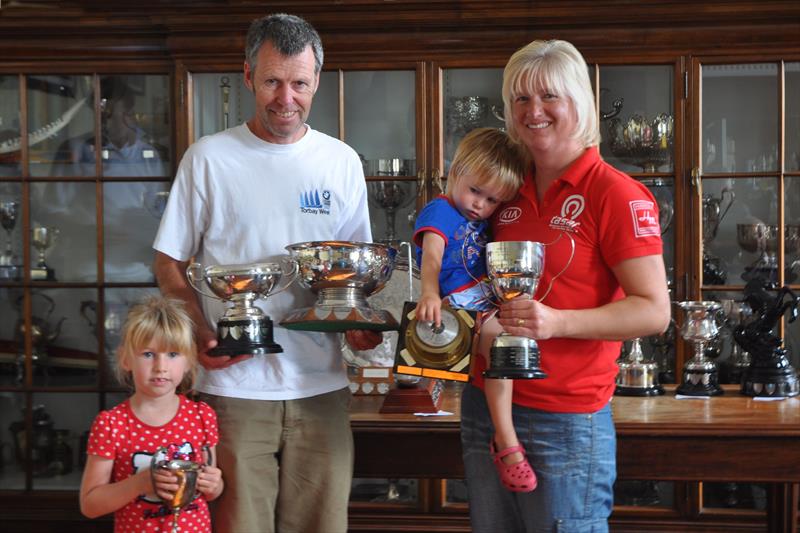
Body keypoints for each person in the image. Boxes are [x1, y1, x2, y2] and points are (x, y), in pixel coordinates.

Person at [152, 13, 380, 533]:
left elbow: (355, 274)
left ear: (316, 81)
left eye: (299, 83)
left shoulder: (340, 162)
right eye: (273, 80)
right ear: (249, 74)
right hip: (233, 392)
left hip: (320, 387)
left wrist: (361, 330)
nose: (286, 98)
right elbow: (168, 260)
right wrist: (199, 329)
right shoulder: (208, 158)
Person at [459, 39, 671, 532]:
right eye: (520, 98)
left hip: (566, 419)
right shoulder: (502, 189)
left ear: (579, 101)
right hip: (487, 407)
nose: (534, 111)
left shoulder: (615, 193)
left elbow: (654, 311)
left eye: (549, 96)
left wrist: (557, 323)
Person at [413, 127, 536, 492]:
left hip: (485, 299)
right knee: (500, 351)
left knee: (506, 354)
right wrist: (430, 294)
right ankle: (507, 441)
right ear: (455, 172)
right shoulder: (440, 209)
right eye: (475, 191)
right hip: (459, 303)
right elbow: (432, 256)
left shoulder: (480, 218)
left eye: (493, 200)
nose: (480, 204)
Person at [79, 296, 224, 532]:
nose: (161, 367)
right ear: (126, 359)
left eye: (173, 354)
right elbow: (90, 504)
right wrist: (139, 484)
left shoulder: (202, 416)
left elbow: (209, 492)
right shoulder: (111, 424)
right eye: (148, 354)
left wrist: (215, 484)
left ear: (190, 360)